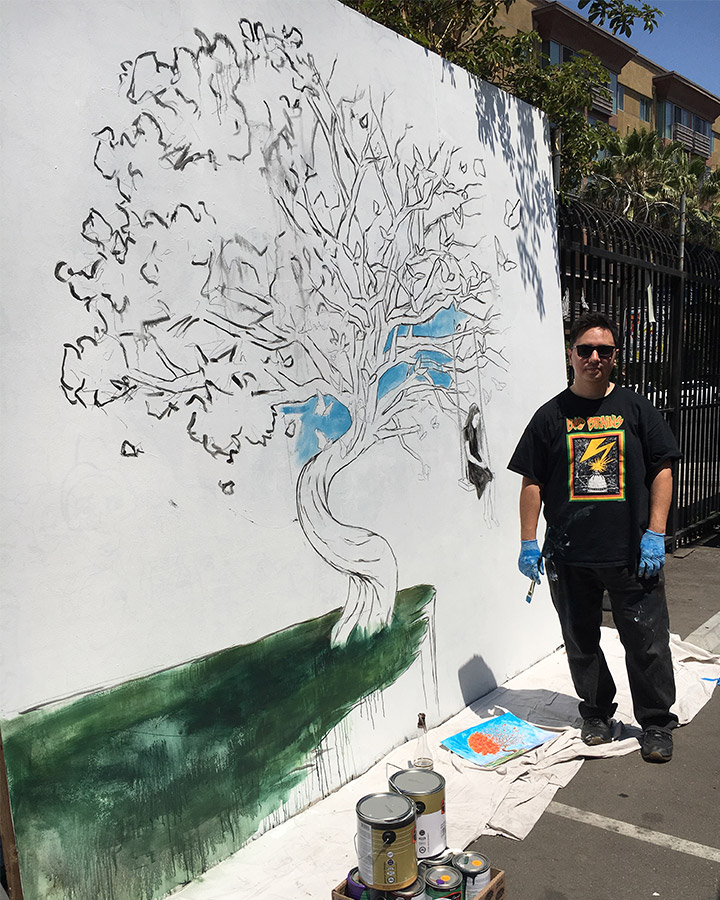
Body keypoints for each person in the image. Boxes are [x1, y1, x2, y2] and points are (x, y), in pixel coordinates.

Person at [508, 312, 681, 763]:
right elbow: (532, 482)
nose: (594, 358)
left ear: (615, 359)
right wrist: (529, 541)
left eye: (604, 351)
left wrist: (655, 533)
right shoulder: (550, 417)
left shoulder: (635, 408)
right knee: (581, 641)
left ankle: (657, 723)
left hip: (631, 554)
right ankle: (597, 713)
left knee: (646, 641)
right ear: (571, 355)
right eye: (585, 349)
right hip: (570, 557)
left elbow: (663, 467)